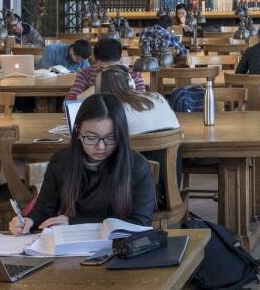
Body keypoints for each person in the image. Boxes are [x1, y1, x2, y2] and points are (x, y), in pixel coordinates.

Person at [9, 93, 155, 233]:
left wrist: (74, 223)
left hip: (119, 248)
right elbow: (43, 211)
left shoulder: (137, 166)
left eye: (111, 138)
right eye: (91, 138)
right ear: (78, 132)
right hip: (70, 248)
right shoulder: (61, 162)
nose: (101, 147)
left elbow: (140, 223)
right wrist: (29, 221)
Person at [97, 64, 178, 136]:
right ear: (131, 83)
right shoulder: (158, 97)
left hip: (135, 152)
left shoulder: (112, 112)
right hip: (173, 151)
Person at [68, 38, 145, 100]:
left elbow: (144, 101)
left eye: (114, 68)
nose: (109, 72)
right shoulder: (86, 74)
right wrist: (92, 90)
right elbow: (66, 105)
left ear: (121, 60)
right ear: (95, 61)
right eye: (103, 68)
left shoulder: (132, 74)